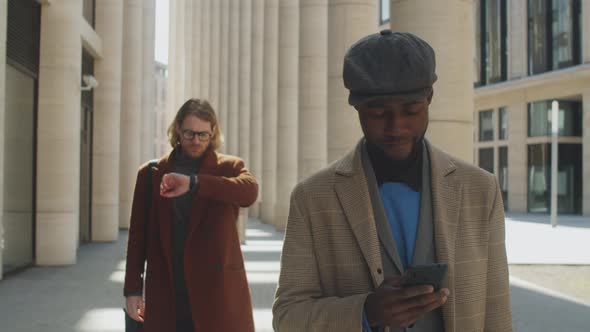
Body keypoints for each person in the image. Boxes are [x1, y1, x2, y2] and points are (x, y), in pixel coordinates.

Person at [272, 30, 512, 332]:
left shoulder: (480, 190)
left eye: (411, 110)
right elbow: (287, 317)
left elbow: (497, 313)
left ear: (430, 99)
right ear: (356, 108)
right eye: (378, 113)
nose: (396, 126)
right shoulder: (312, 198)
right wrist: (367, 313)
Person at [124, 98, 258, 332]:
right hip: (167, 290)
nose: (196, 140)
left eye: (203, 134)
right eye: (189, 134)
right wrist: (133, 290)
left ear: (213, 131)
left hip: (217, 293)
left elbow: (249, 192)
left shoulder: (228, 167)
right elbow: (137, 238)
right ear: (177, 129)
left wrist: (195, 183)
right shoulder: (150, 174)